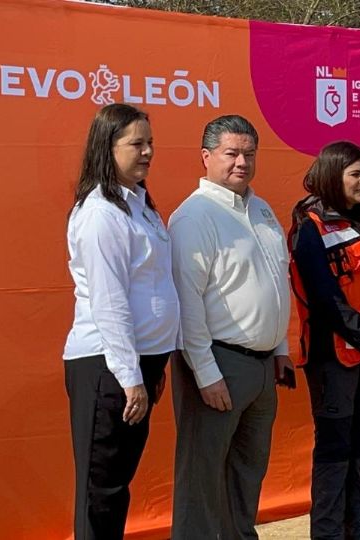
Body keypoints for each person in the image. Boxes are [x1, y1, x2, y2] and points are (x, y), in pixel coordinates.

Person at [169, 115, 294, 539]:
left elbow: (276, 281)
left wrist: (279, 350)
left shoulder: (260, 208)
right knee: (201, 480)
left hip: (260, 370)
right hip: (217, 365)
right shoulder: (194, 217)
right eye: (231, 153)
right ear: (206, 157)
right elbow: (187, 305)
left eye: (249, 154)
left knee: (247, 473)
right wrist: (206, 374)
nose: (242, 162)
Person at [63, 103, 179, 539]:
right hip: (107, 367)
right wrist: (131, 377)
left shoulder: (141, 206)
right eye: (136, 143)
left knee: (116, 486)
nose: (148, 151)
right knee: (100, 490)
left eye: (150, 143)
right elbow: (109, 302)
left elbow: (155, 288)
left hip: (137, 365)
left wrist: (156, 364)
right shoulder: (100, 214)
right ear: (106, 148)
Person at [288, 141, 360, 540]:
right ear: (332, 175)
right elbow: (324, 300)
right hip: (334, 358)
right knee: (335, 450)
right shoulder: (311, 228)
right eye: (355, 174)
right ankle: (328, 534)